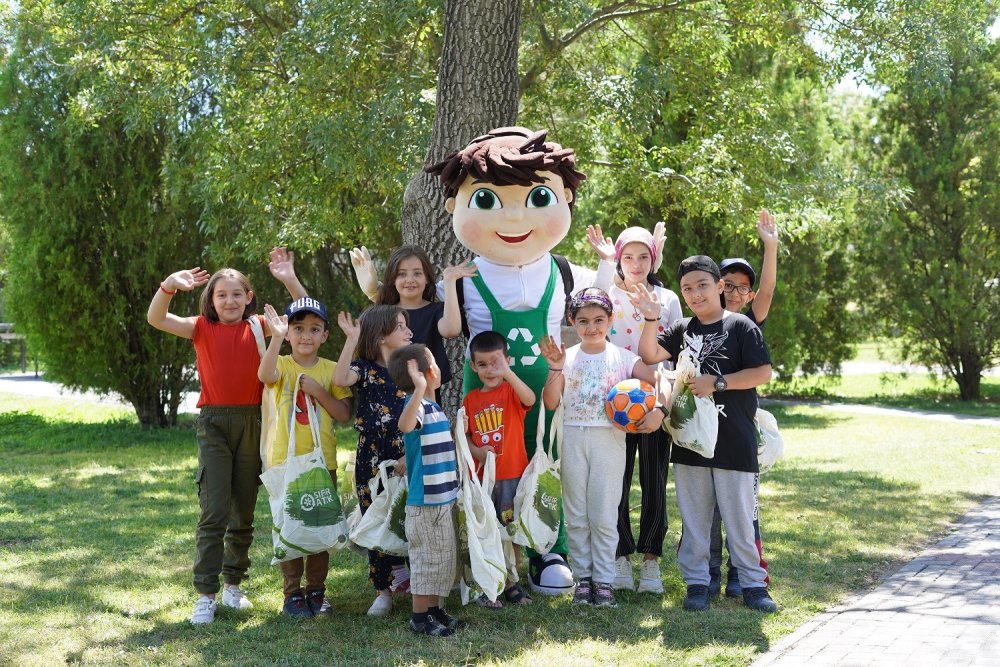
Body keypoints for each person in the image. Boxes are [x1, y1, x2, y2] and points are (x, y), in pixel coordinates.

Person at [424, 126, 617, 596]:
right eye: (487, 200)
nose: (513, 217)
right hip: (488, 391)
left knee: (545, 461)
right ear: (454, 207)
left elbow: (599, 301)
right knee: (492, 467)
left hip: (546, 388)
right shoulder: (465, 276)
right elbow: (438, 322)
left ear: (565, 197)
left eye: (537, 198)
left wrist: (609, 262)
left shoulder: (562, 269)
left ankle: (547, 548)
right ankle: (490, 550)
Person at [631, 256, 778, 613]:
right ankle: (697, 584)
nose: (696, 294)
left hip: (735, 441)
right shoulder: (682, 329)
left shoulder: (741, 326)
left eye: (702, 286)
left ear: (719, 286)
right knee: (695, 520)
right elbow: (648, 354)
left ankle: (753, 585)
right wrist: (650, 318)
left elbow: (762, 372)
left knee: (740, 519)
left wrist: (718, 383)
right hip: (690, 443)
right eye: (687, 289)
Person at [146, 266, 269, 625]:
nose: (229, 301)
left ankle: (233, 585)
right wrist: (168, 286)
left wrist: (290, 279)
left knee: (243, 511)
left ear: (248, 297)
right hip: (214, 424)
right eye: (221, 295)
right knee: (214, 510)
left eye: (236, 294)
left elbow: (301, 317)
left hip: (253, 423)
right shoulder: (201, 327)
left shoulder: (260, 326)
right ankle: (205, 594)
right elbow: (156, 318)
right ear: (211, 301)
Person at [539, 288, 668, 608]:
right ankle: (583, 579)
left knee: (604, 514)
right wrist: (555, 368)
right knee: (576, 514)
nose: (591, 327)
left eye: (599, 320)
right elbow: (551, 403)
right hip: (572, 438)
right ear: (572, 322)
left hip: (609, 442)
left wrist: (659, 410)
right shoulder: (567, 357)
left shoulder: (622, 358)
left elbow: (661, 380)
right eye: (583, 321)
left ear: (611, 320)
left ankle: (604, 581)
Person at [588, 224, 682, 594]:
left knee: (655, 481)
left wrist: (663, 406)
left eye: (644, 257)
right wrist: (604, 260)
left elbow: (675, 354)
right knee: (617, 482)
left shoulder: (667, 298)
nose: (636, 264)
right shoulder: (609, 296)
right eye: (628, 257)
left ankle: (652, 561)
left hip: (654, 402)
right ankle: (621, 557)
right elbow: (591, 301)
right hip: (615, 404)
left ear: (653, 260)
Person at [258, 297, 353, 617]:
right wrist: (275, 339)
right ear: (288, 333)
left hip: (321, 463)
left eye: (314, 329)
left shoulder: (331, 370)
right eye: (298, 328)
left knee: (318, 527)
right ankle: (292, 594)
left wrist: (318, 392)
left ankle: (316, 590)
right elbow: (265, 375)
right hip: (284, 462)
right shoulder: (283, 364)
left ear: (325, 335)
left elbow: (343, 413)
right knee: (290, 526)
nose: (305, 336)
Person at [283, 245, 475, 400]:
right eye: (402, 274)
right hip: (385, 395)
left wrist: (449, 282)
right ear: (392, 279)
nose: (410, 280)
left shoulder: (435, 310)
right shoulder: (384, 312)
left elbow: (451, 330)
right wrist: (373, 289)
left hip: (424, 395)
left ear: (427, 278)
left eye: (417, 273)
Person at [710, 209, 779, 598]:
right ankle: (708, 573)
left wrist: (770, 246)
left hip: (739, 429)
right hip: (704, 431)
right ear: (716, 286)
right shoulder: (699, 324)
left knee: (743, 507)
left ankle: (741, 573)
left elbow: (767, 291)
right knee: (707, 510)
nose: (735, 292)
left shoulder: (750, 323)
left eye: (743, 287)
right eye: (729, 284)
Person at [332, 305, 413, 617]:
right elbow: (340, 378)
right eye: (401, 326)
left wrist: (410, 453)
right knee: (374, 516)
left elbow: (424, 410)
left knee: (409, 513)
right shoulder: (363, 368)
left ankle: (413, 577)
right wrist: (351, 339)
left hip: (406, 450)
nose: (409, 331)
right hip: (372, 453)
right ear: (380, 336)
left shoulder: (411, 367)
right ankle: (383, 591)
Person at [387, 343, 466, 636]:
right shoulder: (417, 405)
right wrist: (419, 389)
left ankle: (434, 610)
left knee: (441, 560)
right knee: (425, 561)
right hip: (425, 504)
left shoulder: (434, 408)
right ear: (431, 372)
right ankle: (420, 618)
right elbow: (405, 425)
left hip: (442, 499)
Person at [462, 331, 537, 608]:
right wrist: (479, 453)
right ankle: (488, 584)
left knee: (511, 532)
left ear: (507, 361)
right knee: (486, 532)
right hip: (483, 481)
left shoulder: (510, 391)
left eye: (496, 363)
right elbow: (466, 438)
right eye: (482, 364)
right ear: (473, 366)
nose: (489, 370)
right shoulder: (470, 400)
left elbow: (530, 399)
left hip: (512, 475)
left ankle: (511, 582)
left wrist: (508, 373)